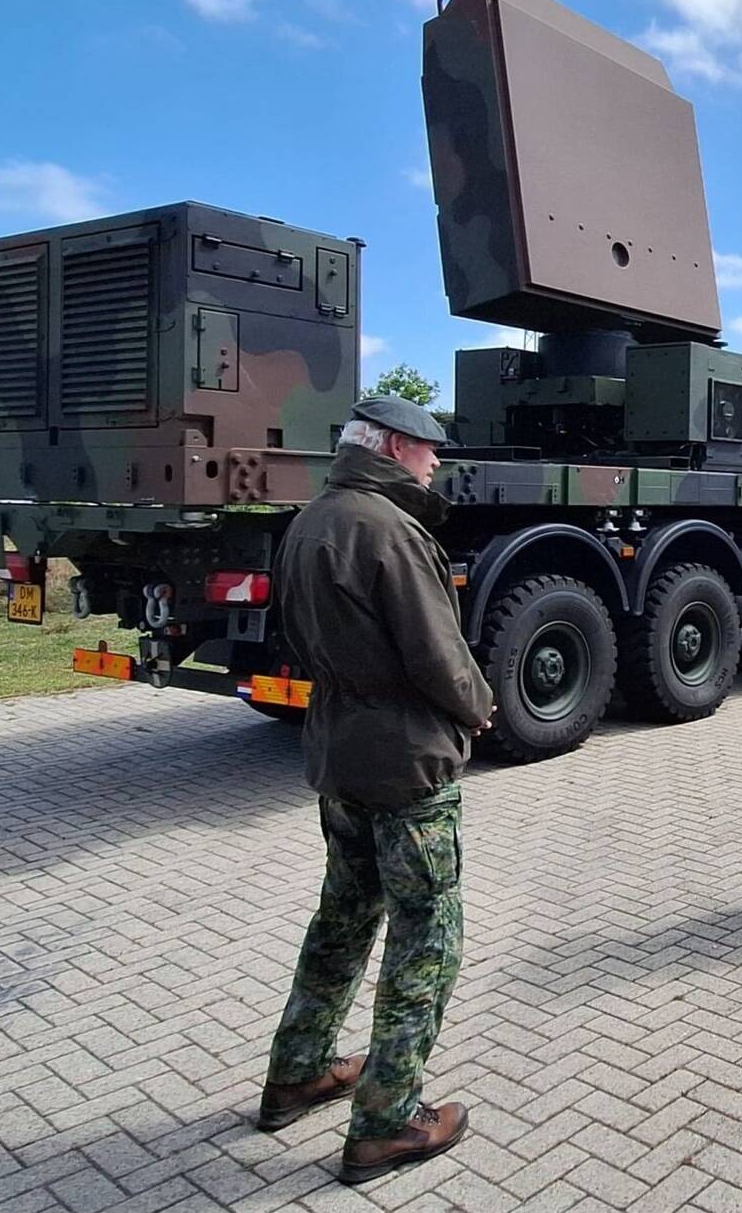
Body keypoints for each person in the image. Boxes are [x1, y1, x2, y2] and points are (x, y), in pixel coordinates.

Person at [258, 395, 496, 1184]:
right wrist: (481, 706)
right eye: (429, 450)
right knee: (427, 937)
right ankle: (388, 1120)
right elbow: (438, 653)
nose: (436, 463)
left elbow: (293, 634)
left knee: (344, 916)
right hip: (405, 761)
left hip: (338, 751)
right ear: (394, 446)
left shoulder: (311, 520)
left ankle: (298, 1069)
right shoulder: (393, 530)